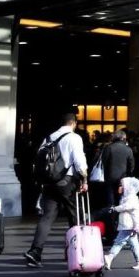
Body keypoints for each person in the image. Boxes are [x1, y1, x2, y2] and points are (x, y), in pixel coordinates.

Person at [24, 113, 89, 268]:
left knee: (47, 217)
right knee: (75, 216)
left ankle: (35, 252)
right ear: (74, 123)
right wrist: (84, 179)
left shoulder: (49, 137)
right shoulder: (74, 138)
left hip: (49, 183)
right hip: (66, 182)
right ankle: (75, 252)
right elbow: (79, 161)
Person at [103, 177, 139, 270]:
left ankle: (110, 257)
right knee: (133, 243)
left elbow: (127, 207)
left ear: (127, 187)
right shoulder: (126, 197)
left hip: (129, 225)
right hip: (128, 225)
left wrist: (115, 208)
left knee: (119, 242)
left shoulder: (131, 198)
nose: (119, 188)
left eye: (121, 185)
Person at [100, 130, 134, 208]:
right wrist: (129, 175)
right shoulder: (128, 149)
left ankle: (111, 214)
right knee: (121, 198)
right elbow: (131, 165)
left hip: (109, 176)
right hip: (123, 178)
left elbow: (103, 161)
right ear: (123, 138)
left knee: (110, 198)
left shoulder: (108, 148)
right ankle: (119, 216)